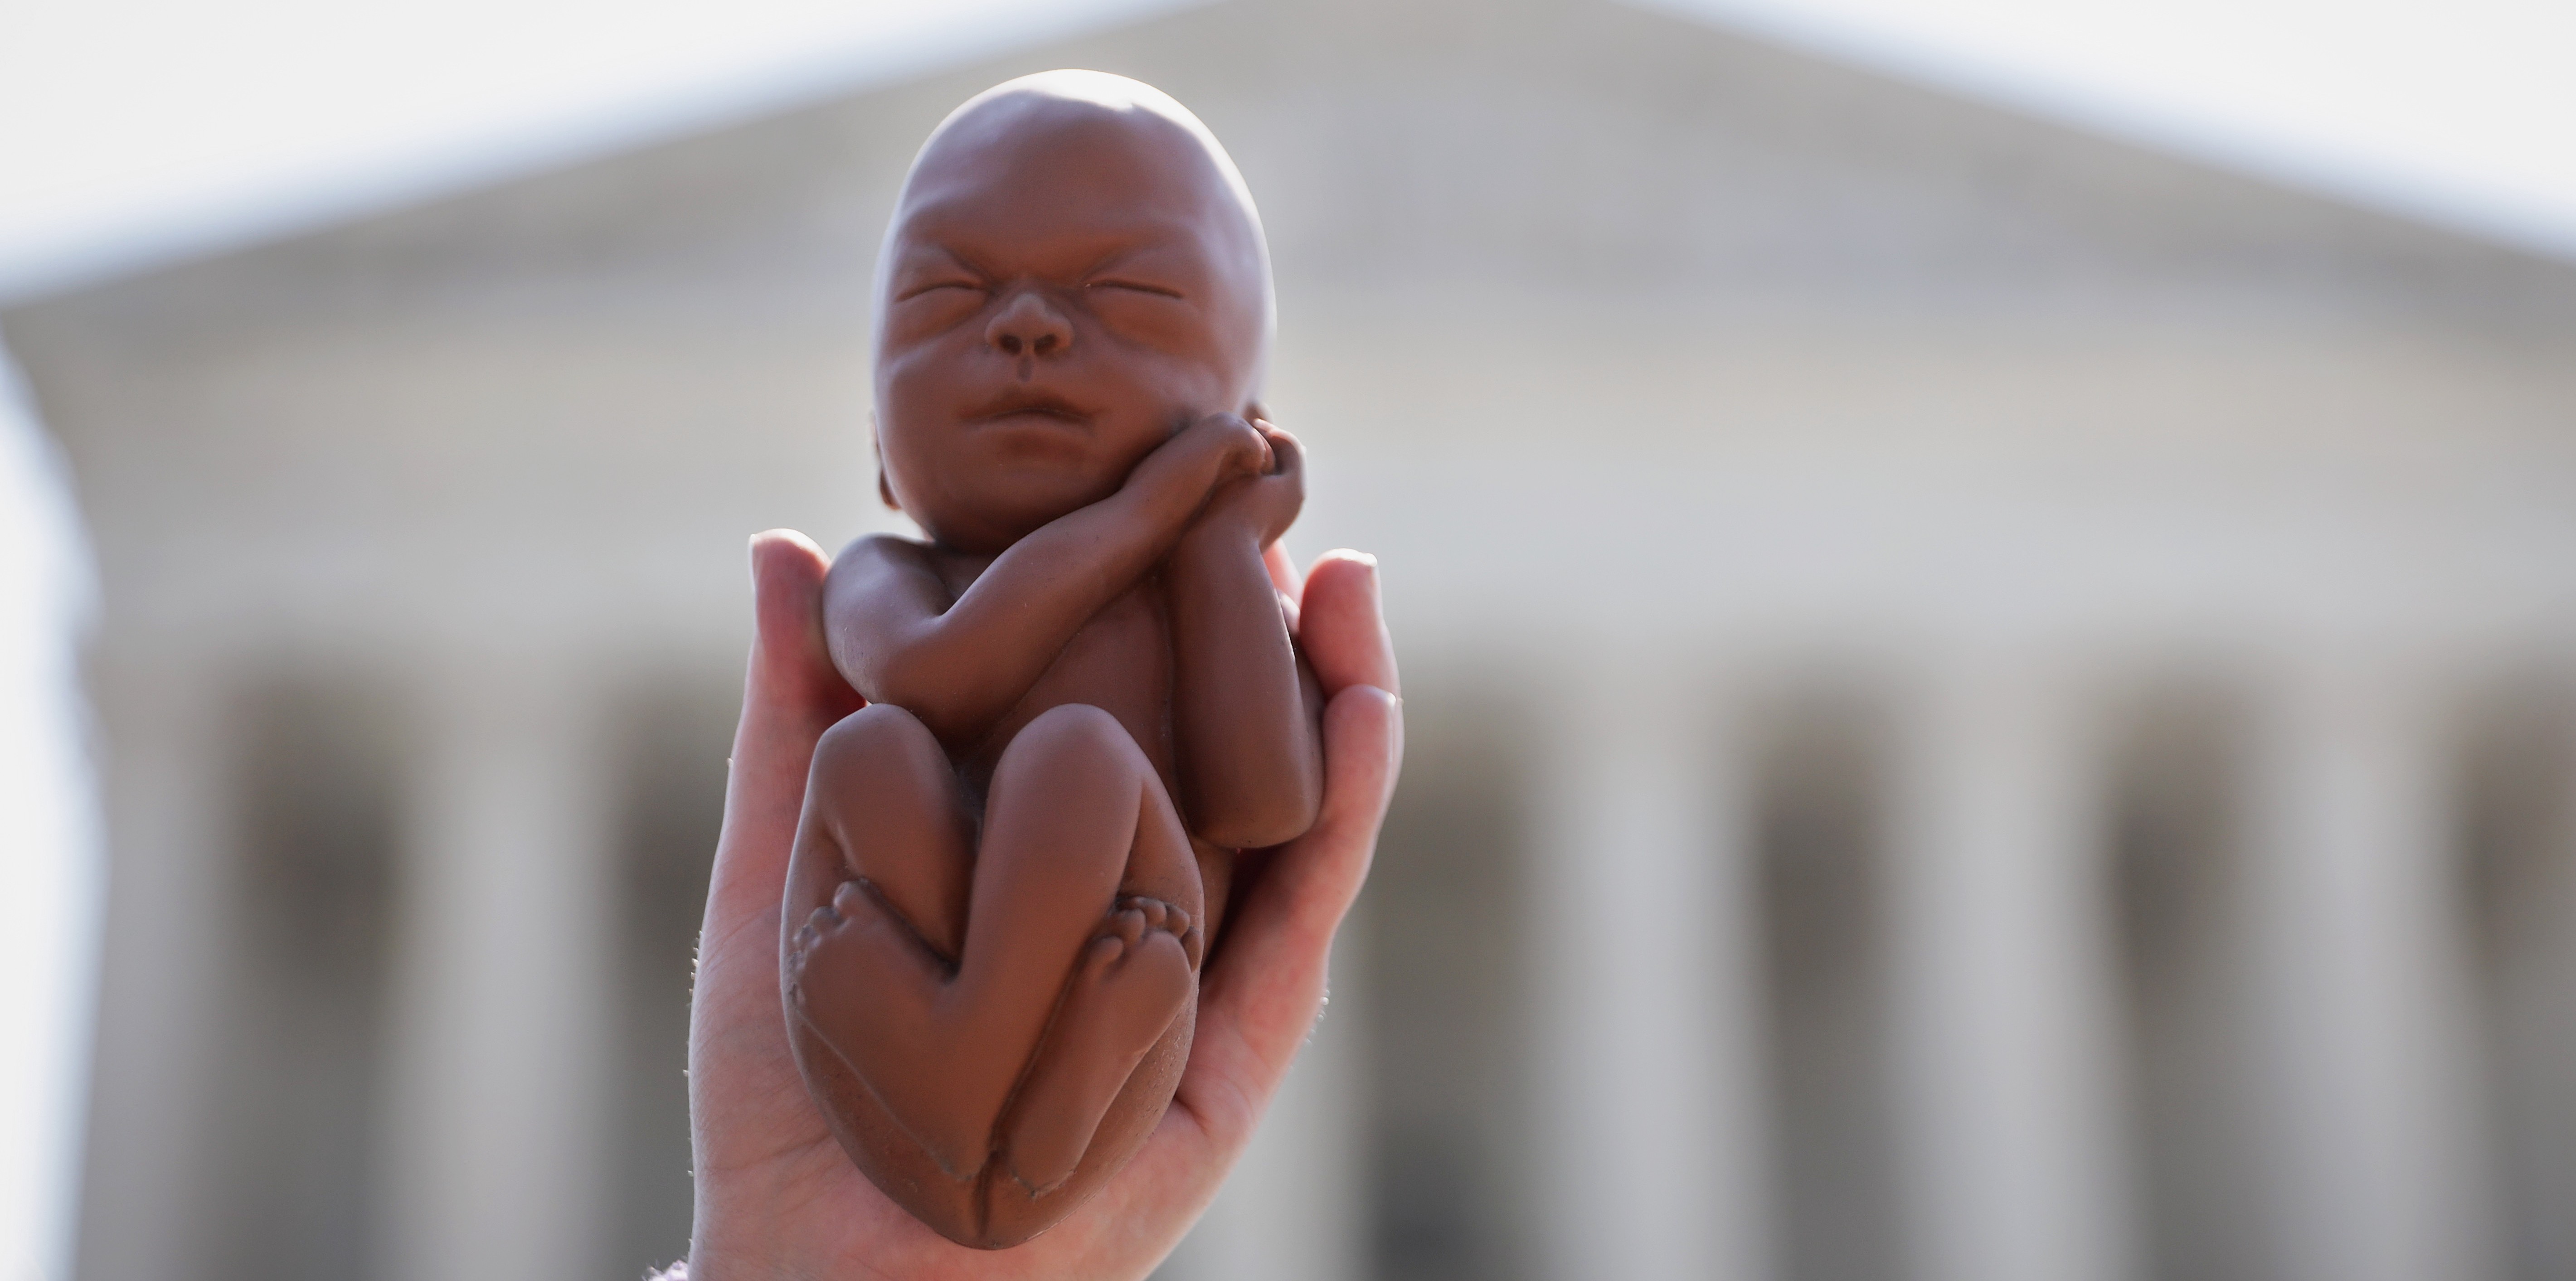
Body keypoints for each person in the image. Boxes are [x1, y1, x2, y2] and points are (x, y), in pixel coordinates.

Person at [665, 528, 1400, 1278]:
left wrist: (1219, 548)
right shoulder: (888, 570)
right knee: (867, 751)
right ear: (885, 459)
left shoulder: (1205, 593)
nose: (1036, 403)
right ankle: (1026, 1091)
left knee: (1077, 756)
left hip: (1006, 998)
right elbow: (923, 675)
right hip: (998, 1075)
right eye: (964, 397)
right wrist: (1149, 505)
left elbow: (1266, 805)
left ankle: (959, 1057)